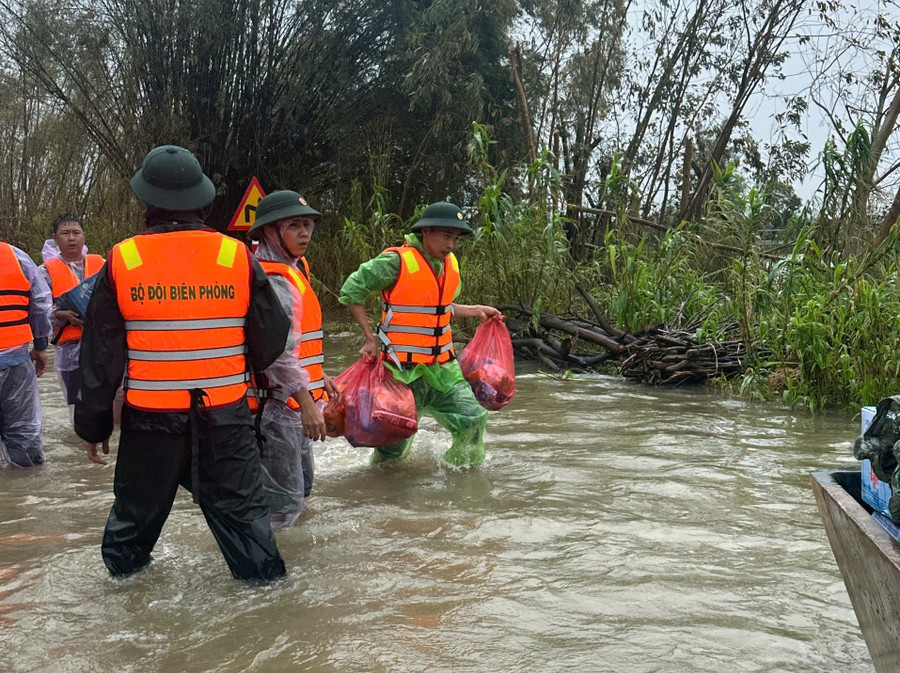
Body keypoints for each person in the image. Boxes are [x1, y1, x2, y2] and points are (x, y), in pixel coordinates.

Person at [74, 145, 291, 581]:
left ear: (147, 200)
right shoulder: (235, 256)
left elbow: (101, 355)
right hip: (226, 420)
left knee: (131, 533)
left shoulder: (124, 259)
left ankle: (121, 612)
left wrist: (94, 426)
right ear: (201, 199)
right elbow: (271, 337)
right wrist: (227, 365)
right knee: (250, 536)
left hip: (151, 423)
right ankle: (267, 616)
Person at [339, 201, 500, 467]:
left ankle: (458, 480)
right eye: (446, 236)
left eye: (455, 238)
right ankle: (383, 492)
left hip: (443, 370)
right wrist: (370, 338)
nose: (451, 245)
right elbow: (351, 290)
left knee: (473, 418)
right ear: (425, 232)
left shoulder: (449, 265)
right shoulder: (395, 262)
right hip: (401, 372)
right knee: (392, 449)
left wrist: (474, 310)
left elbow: (439, 309)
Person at [245, 190, 335, 528]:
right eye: (293, 225)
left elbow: (299, 342)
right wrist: (307, 401)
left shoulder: (295, 269)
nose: (304, 234)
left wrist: (318, 376)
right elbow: (278, 354)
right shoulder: (271, 280)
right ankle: (278, 575)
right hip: (277, 409)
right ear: (270, 231)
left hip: (297, 404)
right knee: (281, 507)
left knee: (301, 492)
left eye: (307, 225)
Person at [38, 214, 105, 428]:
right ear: (55, 239)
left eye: (76, 233)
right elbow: (40, 311)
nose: (71, 238)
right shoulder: (44, 272)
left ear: (84, 236)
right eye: (65, 234)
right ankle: (82, 438)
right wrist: (61, 315)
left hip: (103, 346)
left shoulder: (102, 264)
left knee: (110, 400)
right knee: (77, 406)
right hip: (69, 349)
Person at [0, 241, 51, 468]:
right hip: (15, 362)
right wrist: (40, 346)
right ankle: (25, 493)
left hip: (15, 360)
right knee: (23, 434)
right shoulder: (16, 256)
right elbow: (40, 305)